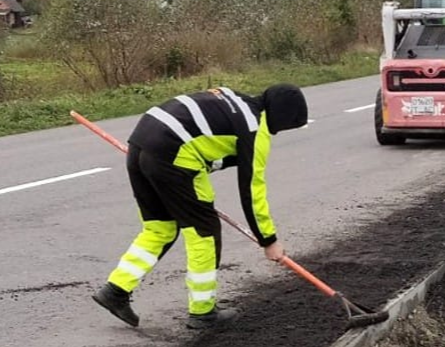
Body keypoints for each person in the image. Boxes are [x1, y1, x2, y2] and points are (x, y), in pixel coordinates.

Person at [91, 84, 309, 330]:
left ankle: (115, 291)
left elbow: (209, 143)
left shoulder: (234, 98)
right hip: (173, 154)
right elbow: (251, 190)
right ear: (283, 117)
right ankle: (203, 312)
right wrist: (268, 240)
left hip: (143, 140)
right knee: (204, 232)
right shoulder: (254, 127)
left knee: (159, 228)